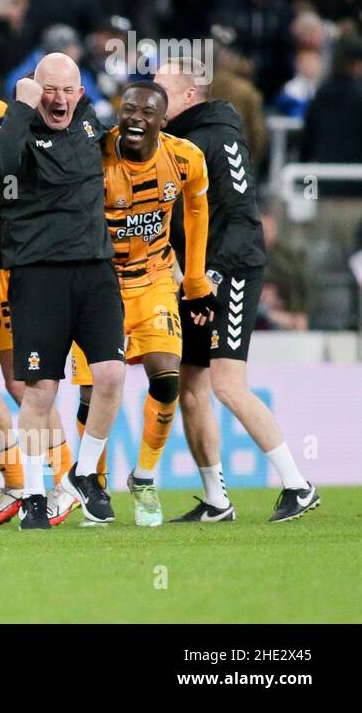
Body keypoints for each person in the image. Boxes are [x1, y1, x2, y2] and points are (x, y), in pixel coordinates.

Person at [155, 61, 321, 522]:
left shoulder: (219, 135)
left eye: (162, 89)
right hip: (194, 277)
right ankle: (216, 500)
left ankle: (298, 485)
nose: (154, 98)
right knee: (191, 387)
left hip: (228, 272)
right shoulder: (173, 141)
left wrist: (214, 272)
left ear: (189, 94)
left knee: (227, 383)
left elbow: (238, 209)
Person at [0, 54, 124, 528]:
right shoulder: (12, 127)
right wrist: (20, 108)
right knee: (40, 391)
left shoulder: (91, 126)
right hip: (38, 274)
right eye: (49, 89)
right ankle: (35, 495)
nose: (59, 99)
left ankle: (85, 473)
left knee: (110, 375)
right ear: (31, 89)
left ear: (80, 94)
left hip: (95, 270)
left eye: (68, 90)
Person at [67, 82, 215, 527]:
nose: (135, 118)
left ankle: (145, 478)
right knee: (95, 390)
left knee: (167, 376)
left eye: (147, 112)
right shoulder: (93, 155)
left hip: (153, 279)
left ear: (162, 121)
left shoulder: (185, 158)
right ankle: (95, 485)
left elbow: (197, 211)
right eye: (128, 109)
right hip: (98, 282)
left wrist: (194, 279)